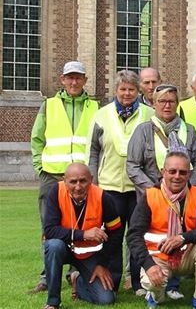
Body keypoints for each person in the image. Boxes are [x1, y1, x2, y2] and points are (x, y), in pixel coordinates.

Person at [127, 84, 196, 300]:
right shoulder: (143, 130)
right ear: (153, 103)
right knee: (149, 237)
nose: (167, 105)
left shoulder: (189, 130)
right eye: (162, 101)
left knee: (179, 236)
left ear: (177, 103)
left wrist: (190, 188)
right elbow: (133, 165)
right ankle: (145, 283)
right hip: (152, 197)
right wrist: (154, 190)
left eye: (171, 101)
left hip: (184, 197)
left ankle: (174, 284)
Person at [30, 61, 99, 294]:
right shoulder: (48, 105)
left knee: (81, 223)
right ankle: (47, 277)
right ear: (62, 80)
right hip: (52, 174)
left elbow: (98, 142)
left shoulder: (95, 107)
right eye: (70, 77)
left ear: (85, 80)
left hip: (82, 178)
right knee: (48, 227)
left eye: (78, 77)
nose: (74, 82)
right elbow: (37, 138)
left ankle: (74, 273)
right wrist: (40, 166)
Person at [87, 70, 154, 296]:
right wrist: (94, 185)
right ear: (115, 90)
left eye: (131, 89)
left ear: (138, 91)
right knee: (113, 237)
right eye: (122, 89)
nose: (127, 93)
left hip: (139, 190)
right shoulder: (101, 115)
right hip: (110, 187)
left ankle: (138, 282)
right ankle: (113, 281)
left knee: (137, 235)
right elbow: (93, 152)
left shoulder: (148, 114)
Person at [127, 152, 196, 309]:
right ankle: (155, 296)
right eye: (172, 171)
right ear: (163, 172)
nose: (177, 176)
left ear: (189, 174)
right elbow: (133, 236)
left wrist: (183, 237)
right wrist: (149, 265)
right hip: (158, 257)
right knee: (152, 283)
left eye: (183, 172)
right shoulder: (150, 195)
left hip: (187, 253)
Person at [42, 163, 122, 309]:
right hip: (63, 249)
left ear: (91, 179)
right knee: (53, 245)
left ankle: (78, 282)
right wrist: (83, 234)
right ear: (64, 180)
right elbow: (49, 230)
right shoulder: (56, 192)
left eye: (83, 181)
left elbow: (116, 232)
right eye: (73, 181)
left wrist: (102, 264)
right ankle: (53, 302)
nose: (78, 186)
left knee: (106, 299)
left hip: (89, 255)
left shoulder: (103, 197)